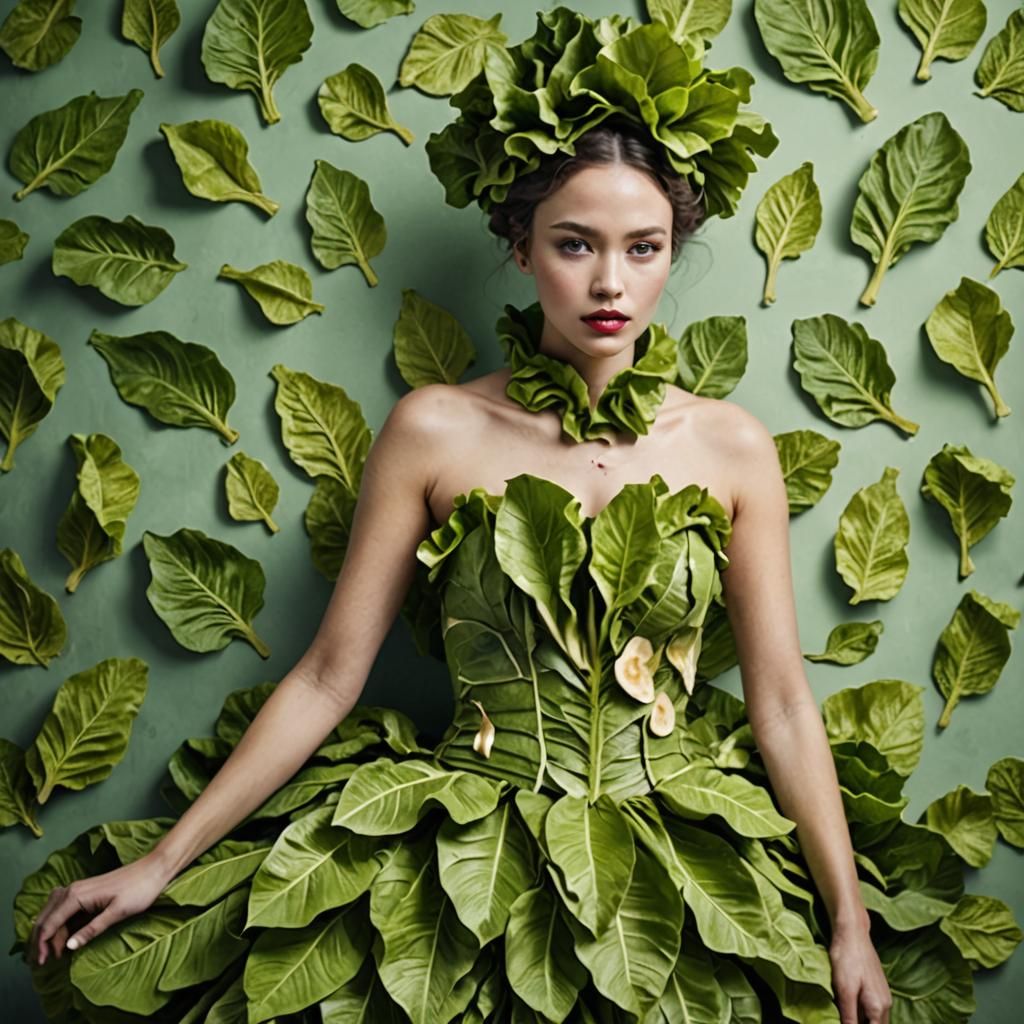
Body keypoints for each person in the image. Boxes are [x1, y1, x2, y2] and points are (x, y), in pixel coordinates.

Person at [25, 9, 974, 1024]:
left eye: (643, 247)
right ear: (520, 249)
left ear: (670, 253)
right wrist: (166, 862)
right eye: (575, 244)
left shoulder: (734, 446)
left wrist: (848, 924)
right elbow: (326, 674)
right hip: (472, 849)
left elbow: (783, 703)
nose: (610, 282)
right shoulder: (434, 428)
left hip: (686, 847)